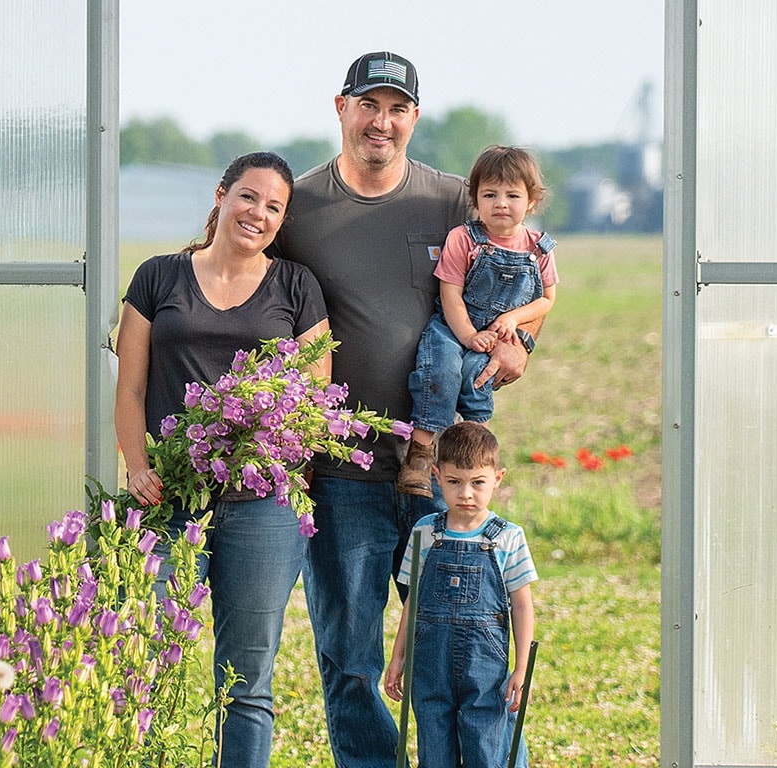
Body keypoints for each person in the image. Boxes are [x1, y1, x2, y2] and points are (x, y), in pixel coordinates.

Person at [267, 52, 539, 767]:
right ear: (341, 108)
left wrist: (524, 342)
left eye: (396, 108)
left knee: (470, 653)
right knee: (351, 658)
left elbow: (524, 271)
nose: (380, 122)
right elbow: (240, 276)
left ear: (414, 117)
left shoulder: (455, 200)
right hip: (341, 473)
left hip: (449, 479)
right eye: (368, 105)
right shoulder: (298, 206)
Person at [113, 151, 330, 768]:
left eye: (273, 206)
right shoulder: (159, 277)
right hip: (169, 499)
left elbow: (314, 399)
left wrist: (281, 458)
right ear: (220, 195)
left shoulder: (295, 287)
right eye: (248, 197)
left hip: (263, 507)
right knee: (145, 663)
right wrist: (137, 468)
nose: (257, 213)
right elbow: (129, 388)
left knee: (246, 680)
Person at [397, 145, 559, 498]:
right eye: (490, 194)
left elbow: (547, 299)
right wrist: (469, 335)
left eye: (512, 195)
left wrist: (513, 320)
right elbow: (450, 294)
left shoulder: (539, 249)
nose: (501, 203)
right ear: (475, 199)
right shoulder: (463, 239)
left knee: (476, 380)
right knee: (440, 370)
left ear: (531, 201)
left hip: (494, 334)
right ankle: (420, 456)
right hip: (454, 327)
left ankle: (472, 457)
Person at [384, 421, 536, 767]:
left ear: (498, 478)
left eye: (478, 483)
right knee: (434, 748)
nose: (466, 493)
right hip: (430, 664)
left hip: (485, 669)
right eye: (454, 482)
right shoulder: (425, 533)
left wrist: (522, 666)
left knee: (486, 744)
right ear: (436, 476)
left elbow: (522, 605)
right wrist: (397, 657)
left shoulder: (508, 537)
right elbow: (414, 602)